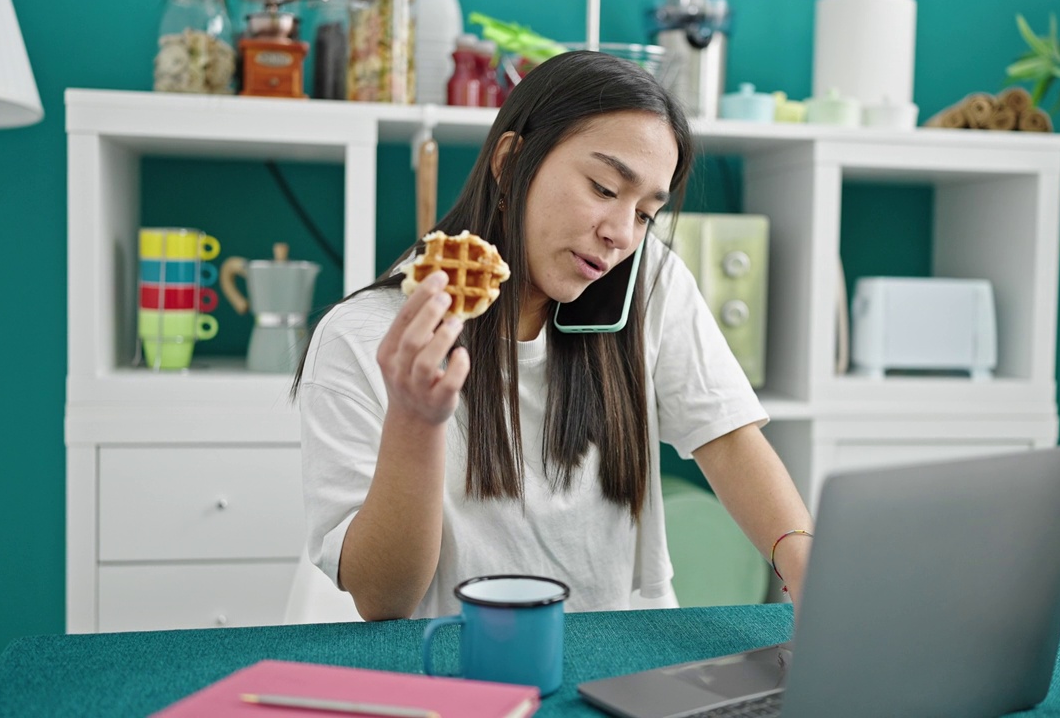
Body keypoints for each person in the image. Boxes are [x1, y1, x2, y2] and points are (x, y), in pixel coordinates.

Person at [296, 50, 812, 621]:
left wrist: (801, 555)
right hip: (450, 665)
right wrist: (415, 421)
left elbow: (729, 439)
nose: (620, 234)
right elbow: (383, 598)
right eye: (603, 187)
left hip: (621, 647)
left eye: (645, 213)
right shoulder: (362, 338)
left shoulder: (650, 284)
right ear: (512, 161)